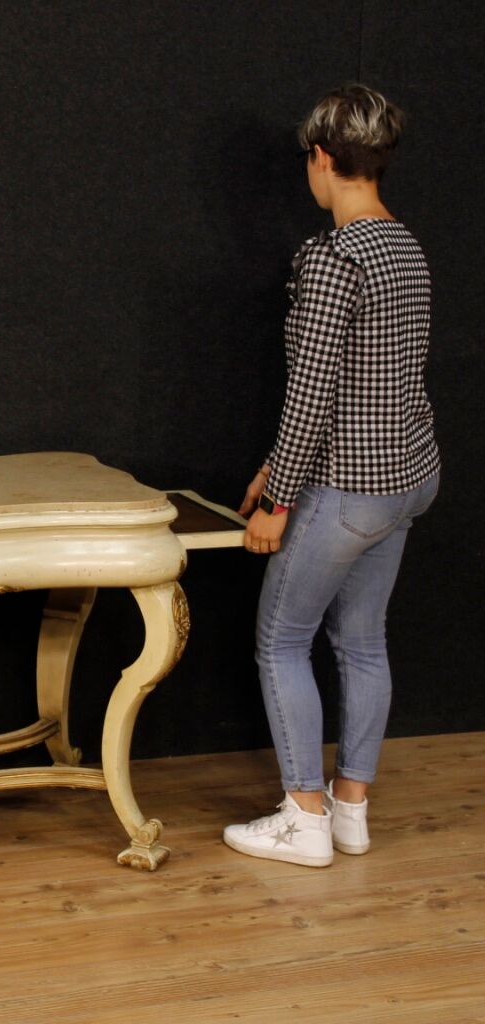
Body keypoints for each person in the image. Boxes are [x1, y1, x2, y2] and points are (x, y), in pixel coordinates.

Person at [223, 84, 441, 867]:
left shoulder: (333, 255)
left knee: (281, 641)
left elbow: (312, 388)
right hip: (407, 477)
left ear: (322, 157)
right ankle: (350, 812)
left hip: (346, 490)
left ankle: (302, 819)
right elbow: (378, 379)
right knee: (363, 644)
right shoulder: (404, 245)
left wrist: (280, 499)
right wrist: (277, 463)